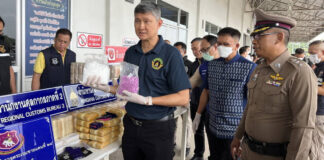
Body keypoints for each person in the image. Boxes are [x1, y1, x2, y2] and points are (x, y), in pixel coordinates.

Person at [84, 2, 191, 160]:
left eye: (147, 21)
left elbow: (183, 97)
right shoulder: (131, 53)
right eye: (137, 20)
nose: (141, 26)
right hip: (131, 126)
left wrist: (148, 100)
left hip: (158, 129)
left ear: (159, 23)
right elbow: (125, 89)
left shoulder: (171, 54)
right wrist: (105, 87)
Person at [231, 9, 317, 160]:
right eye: (253, 36)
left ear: (279, 37)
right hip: (248, 150)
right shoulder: (259, 68)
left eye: (259, 36)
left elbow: (303, 127)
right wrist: (238, 136)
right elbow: (251, 107)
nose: (254, 41)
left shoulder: (299, 72)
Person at [193, 27, 257, 160]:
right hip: (213, 125)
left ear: (237, 45)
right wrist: (198, 114)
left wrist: (247, 132)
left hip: (234, 130)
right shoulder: (212, 65)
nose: (221, 47)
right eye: (219, 44)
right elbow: (206, 91)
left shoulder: (249, 67)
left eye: (226, 44)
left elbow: (253, 102)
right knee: (215, 156)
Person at [189, 35, 219, 160]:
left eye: (203, 49)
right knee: (200, 131)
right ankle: (199, 154)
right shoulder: (203, 65)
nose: (200, 52)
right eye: (195, 49)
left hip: (221, 113)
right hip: (200, 104)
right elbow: (192, 84)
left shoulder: (226, 63)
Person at [174, 41, 193, 157]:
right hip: (172, 99)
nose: (175, 53)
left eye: (178, 51)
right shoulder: (171, 63)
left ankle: (187, 145)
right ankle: (172, 142)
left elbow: (193, 82)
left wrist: (187, 97)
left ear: (184, 52)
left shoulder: (189, 64)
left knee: (187, 123)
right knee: (173, 122)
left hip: (186, 99)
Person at [308, 40, 324, 160]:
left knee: (318, 145)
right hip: (314, 110)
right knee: (312, 144)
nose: (311, 56)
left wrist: (305, 84)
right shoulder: (317, 67)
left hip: (321, 113)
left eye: (313, 53)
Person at [0, 16, 16, 95]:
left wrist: (14, 92)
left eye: (1, 31)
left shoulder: (4, 45)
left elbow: (10, 70)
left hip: (5, 95)